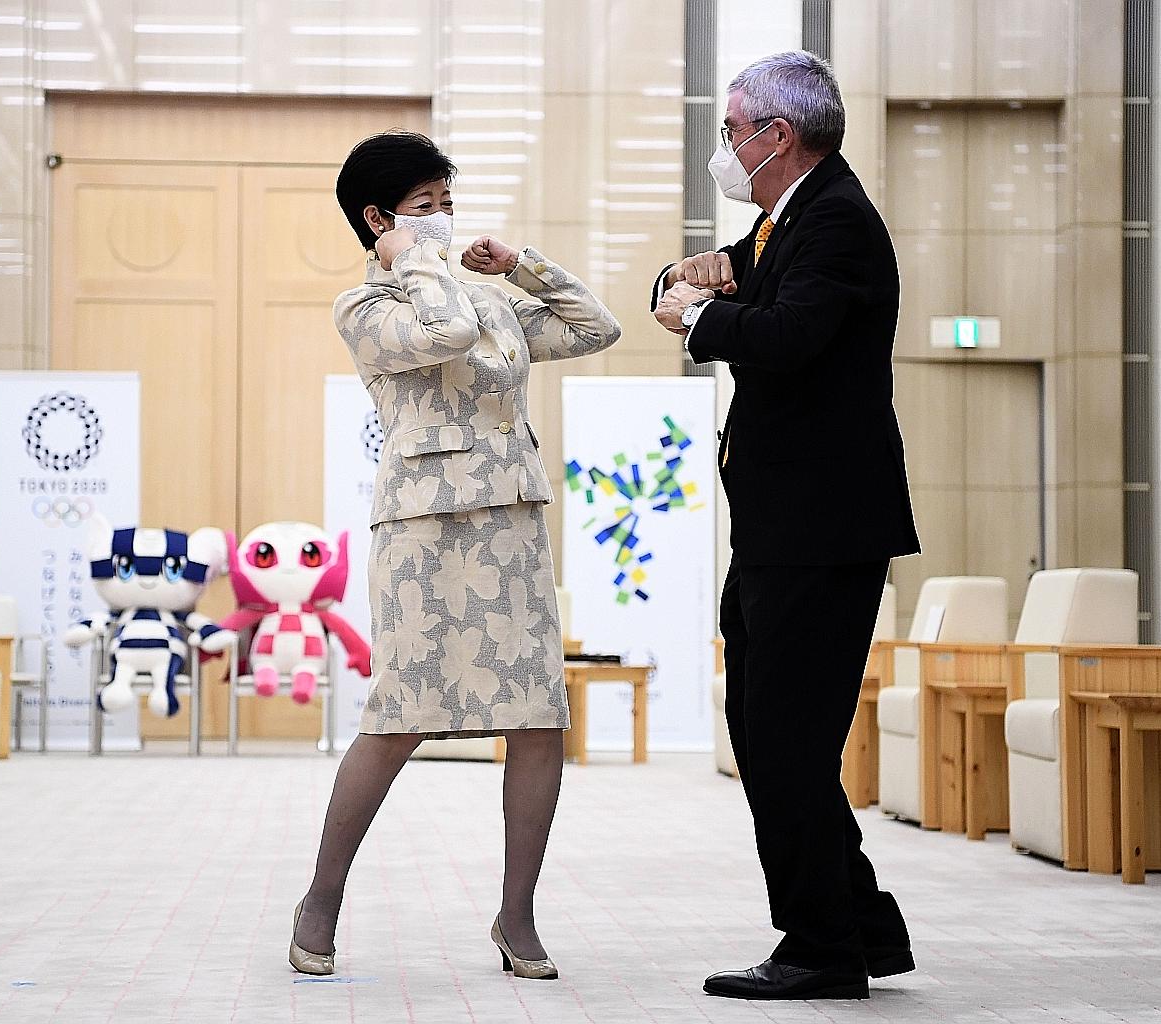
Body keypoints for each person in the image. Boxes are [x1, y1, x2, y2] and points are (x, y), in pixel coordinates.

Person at [288, 130, 621, 981]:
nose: (442, 220)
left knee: (539, 717)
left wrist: (520, 266)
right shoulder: (365, 310)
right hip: (424, 531)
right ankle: (320, 898)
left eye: (447, 202)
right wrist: (412, 259)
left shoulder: (488, 298)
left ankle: (517, 917)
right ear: (377, 218)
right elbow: (438, 331)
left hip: (511, 521)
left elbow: (596, 327)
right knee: (400, 717)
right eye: (424, 206)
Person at [650, 51, 921, 1001]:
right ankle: (856, 928)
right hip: (781, 525)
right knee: (769, 732)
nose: (726, 148)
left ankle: (821, 945)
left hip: (823, 528)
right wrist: (695, 282)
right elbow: (748, 283)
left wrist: (697, 319)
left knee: (784, 740)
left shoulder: (836, 219)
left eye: (733, 131)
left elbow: (789, 338)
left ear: (780, 134)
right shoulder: (787, 218)